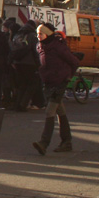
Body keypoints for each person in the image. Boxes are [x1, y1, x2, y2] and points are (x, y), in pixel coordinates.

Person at [32, 24, 80, 155]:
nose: (38, 36)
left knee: (49, 112)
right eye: (37, 34)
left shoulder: (58, 46)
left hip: (60, 82)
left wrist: (68, 77)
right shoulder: (40, 46)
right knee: (60, 111)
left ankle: (44, 142)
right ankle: (67, 141)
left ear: (47, 34)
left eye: (40, 34)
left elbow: (74, 62)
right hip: (49, 82)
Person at [9, 21, 42, 110]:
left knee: (21, 85)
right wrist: (38, 64)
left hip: (17, 62)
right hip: (29, 63)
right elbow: (36, 51)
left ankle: (17, 104)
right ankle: (23, 104)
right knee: (32, 84)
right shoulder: (32, 36)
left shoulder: (18, 35)